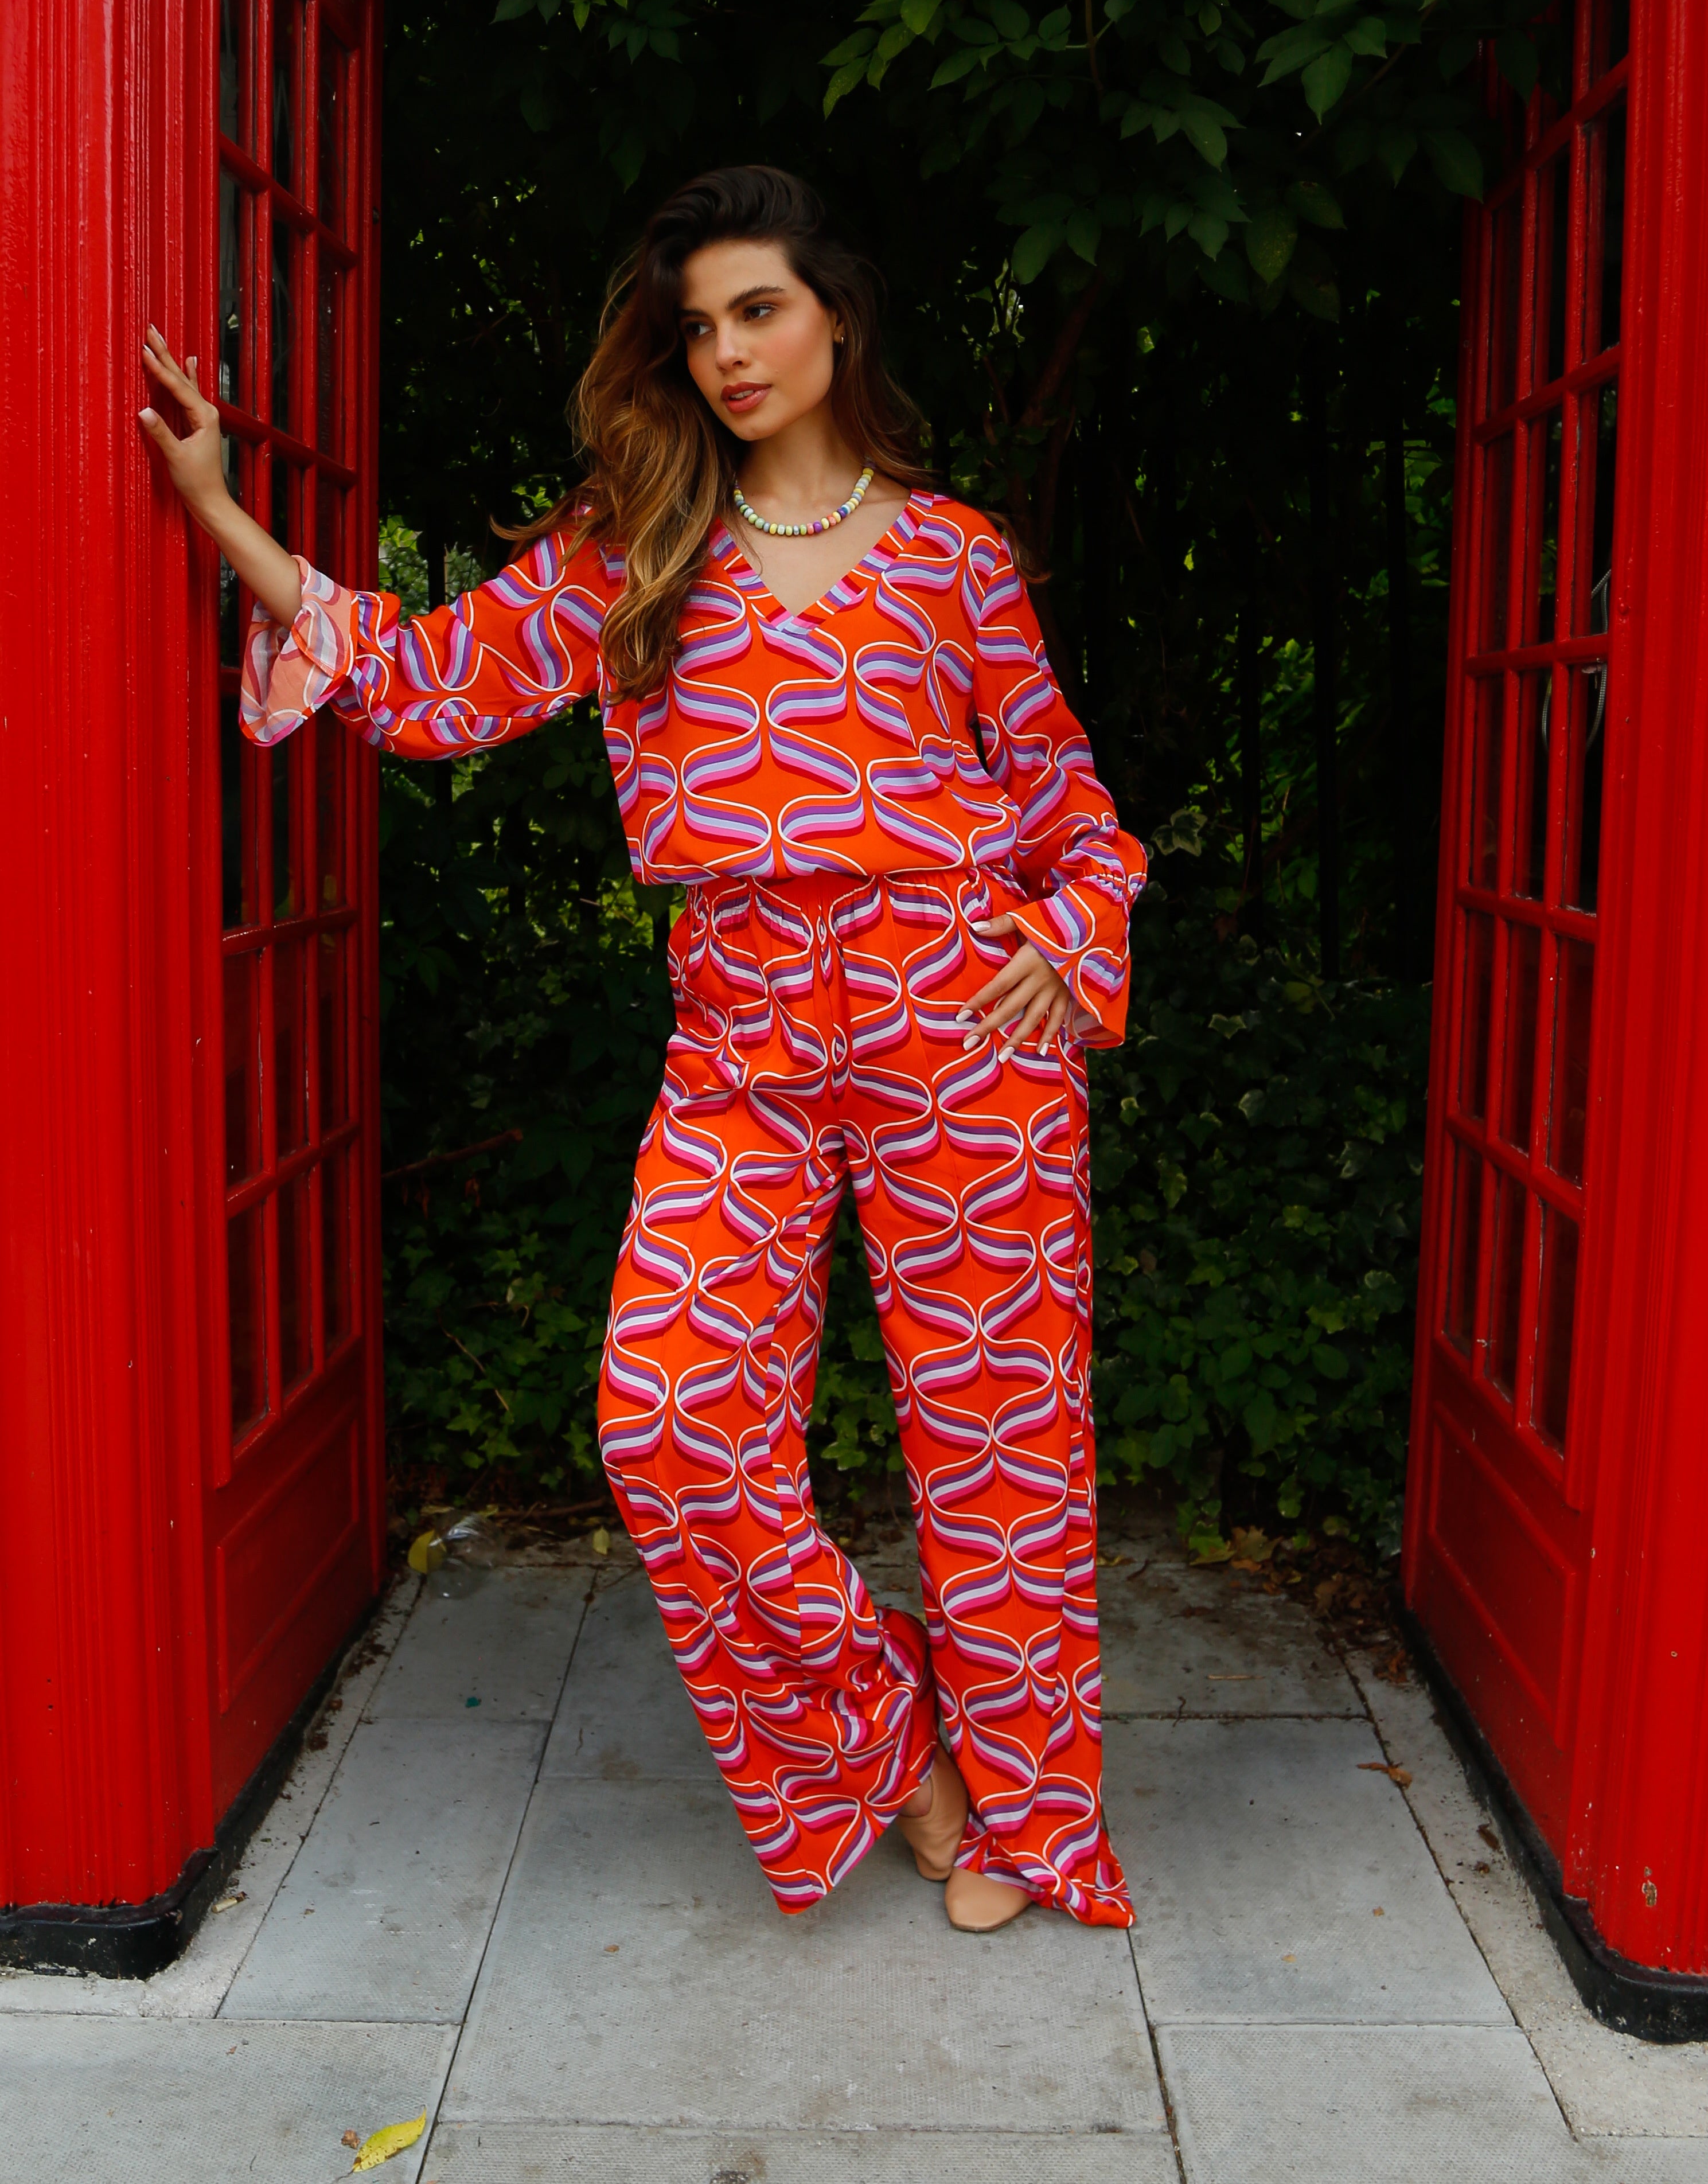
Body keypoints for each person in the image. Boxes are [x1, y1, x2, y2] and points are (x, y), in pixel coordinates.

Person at [139, 164, 1147, 1935]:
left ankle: (1022, 1812)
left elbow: (1073, 812)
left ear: (837, 313)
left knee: (1000, 1440)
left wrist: (1064, 944)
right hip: (741, 1036)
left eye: (758, 308)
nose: (728, 350)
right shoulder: (637, 546)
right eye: (696, 325)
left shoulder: (956, 554)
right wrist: (225, 512)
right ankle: (890, 1728)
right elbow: (434, 683)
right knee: (671, 1423)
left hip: (957, 1030)